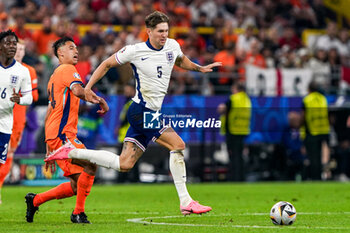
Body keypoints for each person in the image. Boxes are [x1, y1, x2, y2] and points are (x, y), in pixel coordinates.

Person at [46, 11, 222, 215]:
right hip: (141, 111)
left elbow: (180, 60)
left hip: (151, 111)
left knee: (125, 164)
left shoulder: (173, 45)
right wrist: (88, 88)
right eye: (159, 31)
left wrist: (199, 69)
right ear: (149, 31)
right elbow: (106, 64)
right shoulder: (135, 50)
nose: (164, 35)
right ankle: (186, 202)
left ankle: (72, 152)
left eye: (166, 30)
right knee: (178, 144)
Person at [25, 37, 108, 224]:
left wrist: (48, 143)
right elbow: (78, 91)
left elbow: (49, 112)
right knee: (90, 165)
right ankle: (78, 213)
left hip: (57, 135)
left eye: (76, 48)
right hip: (63, 135)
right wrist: (98, 99)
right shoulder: (69, 70)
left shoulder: (54, 76)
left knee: (76, 183)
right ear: (60, 53)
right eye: (71, 48)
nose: (76, 51)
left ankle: (35, 200)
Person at [0, 39, 39, 204]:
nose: (18, 51)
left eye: (22, 49)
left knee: (7, 156)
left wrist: (20, 96)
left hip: (17, 120)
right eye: (16, 48)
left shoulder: (28, 71)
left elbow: (34, 96)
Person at [217, 82, 251, 181]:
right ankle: (241, 177)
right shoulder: (247, 100)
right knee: (240, 156)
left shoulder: (234, 99)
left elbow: (222, 109)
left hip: (232, 131)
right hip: (243, 131)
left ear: (236, 89)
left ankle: (234, 178)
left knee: (232, 156)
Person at [301, 81, 330, 180]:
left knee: (313, 157)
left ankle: (315, 177)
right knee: (322, 155)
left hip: (312, 131)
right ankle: (321, 175)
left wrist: (300, 126)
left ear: (309, 89)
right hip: (324, 130)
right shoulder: (323, 99)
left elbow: (304, 116)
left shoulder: (307, 99)